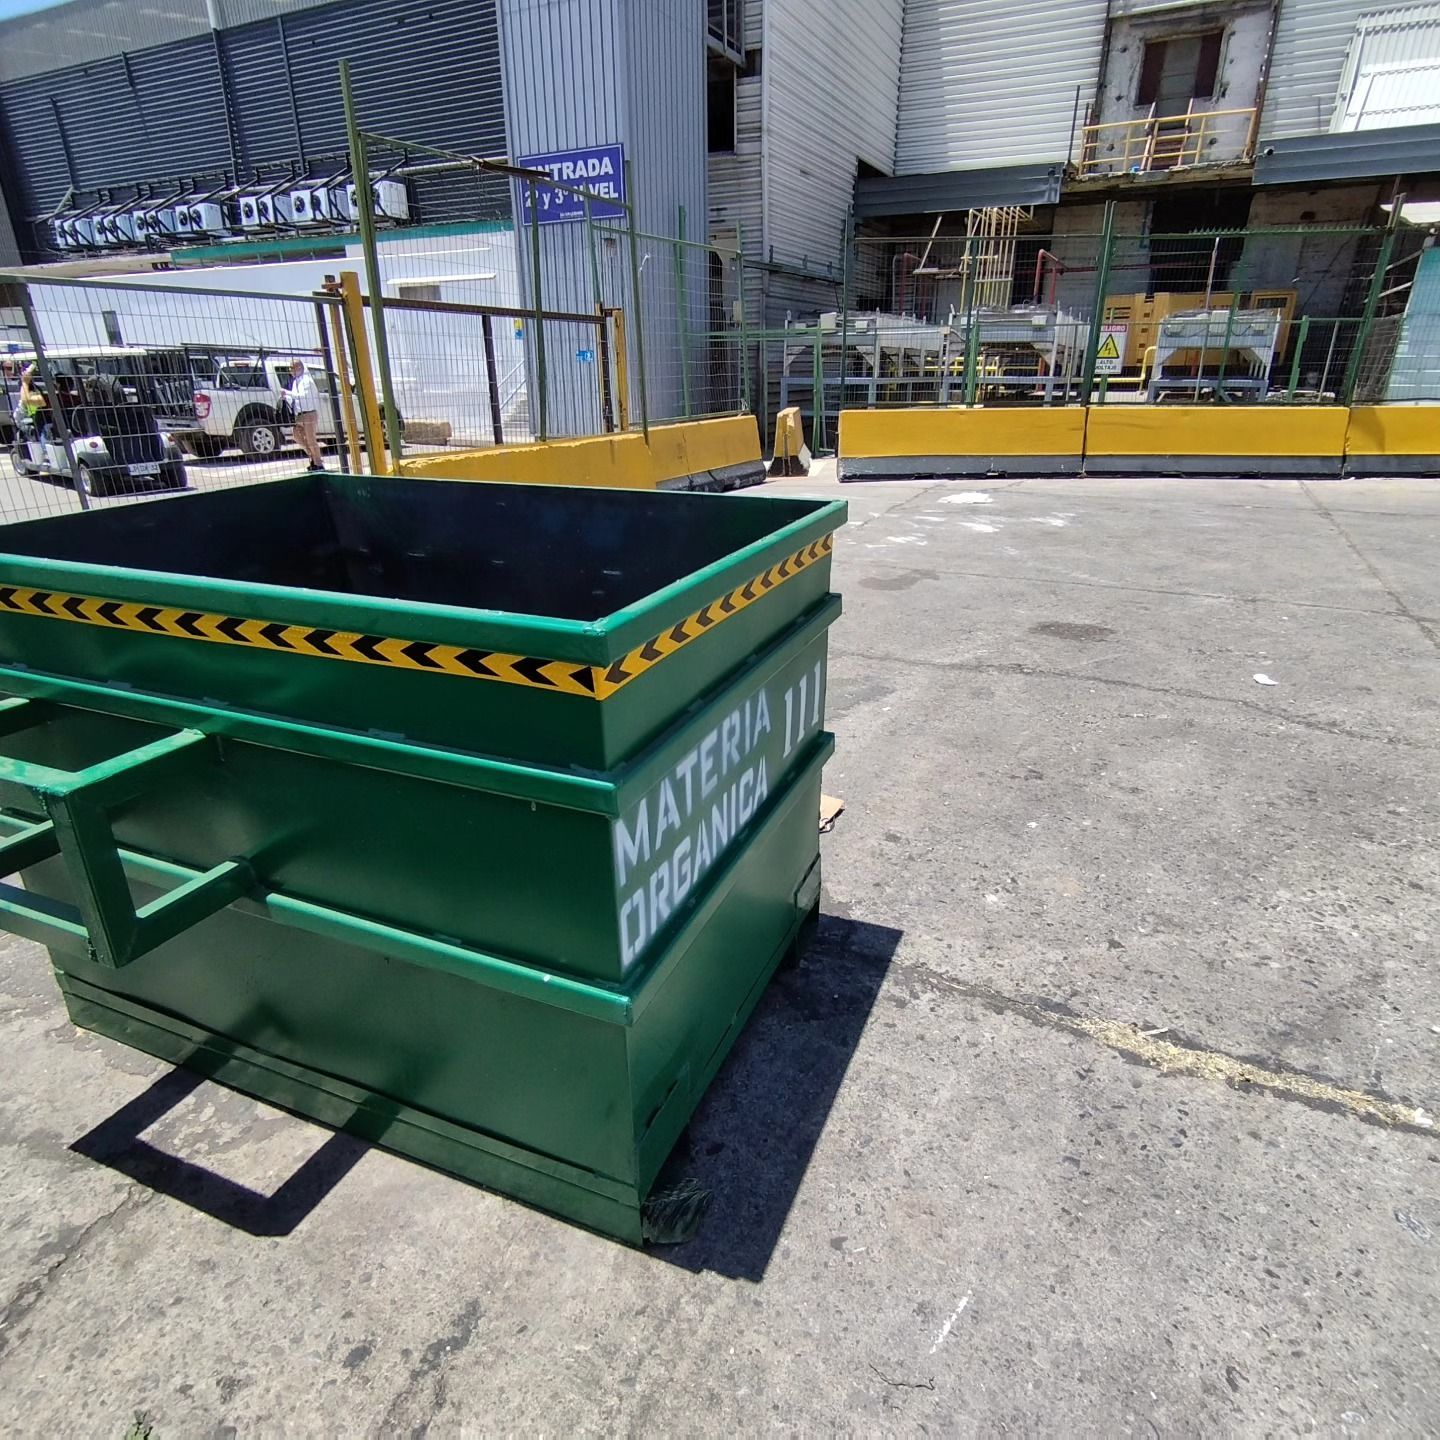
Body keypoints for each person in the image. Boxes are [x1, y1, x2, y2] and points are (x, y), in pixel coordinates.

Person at [285, 358, 324, 472]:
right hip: (300, 414)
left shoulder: (306, 381)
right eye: (290, 368)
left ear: (299, 368)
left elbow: (303, 396)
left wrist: (287, 393)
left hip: (309, 413)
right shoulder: (296, 381)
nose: (290, 370)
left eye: (292, 368)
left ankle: (318, 463)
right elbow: (295, 398)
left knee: (311, 439)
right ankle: (312, 456)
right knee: (297, 435)